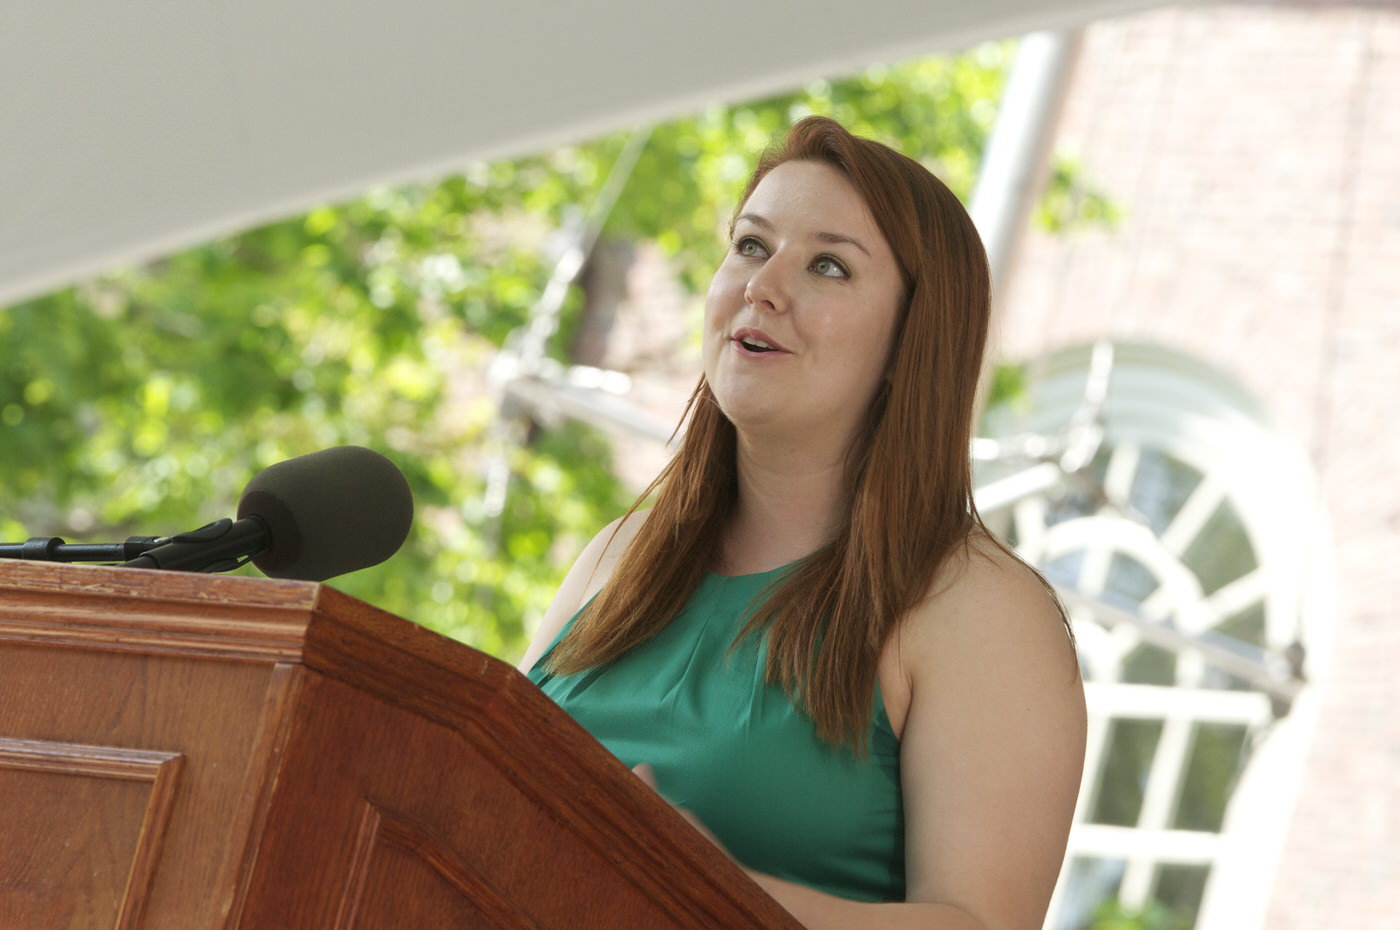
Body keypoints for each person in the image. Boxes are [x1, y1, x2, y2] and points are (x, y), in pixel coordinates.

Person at [519, 116, 1086, 930]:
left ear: (911, 344)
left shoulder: (979, 610)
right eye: (751, 246)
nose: (764, 285)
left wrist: (697, 891)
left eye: (828, 265)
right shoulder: (621, 552)